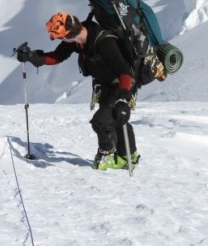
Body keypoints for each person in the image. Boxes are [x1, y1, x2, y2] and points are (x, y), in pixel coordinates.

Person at [15, 12, 139, 171]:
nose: (61, 41)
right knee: (115, 120)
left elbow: (125, 72)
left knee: (101, 121)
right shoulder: (76, 41)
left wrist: (123, 99)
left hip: (121, 85)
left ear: (68, 35)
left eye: (61, 38)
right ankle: (129, 157)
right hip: (105, 84)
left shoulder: (105, 43)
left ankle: (107, 154)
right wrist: (33, 57)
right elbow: (58, 56)